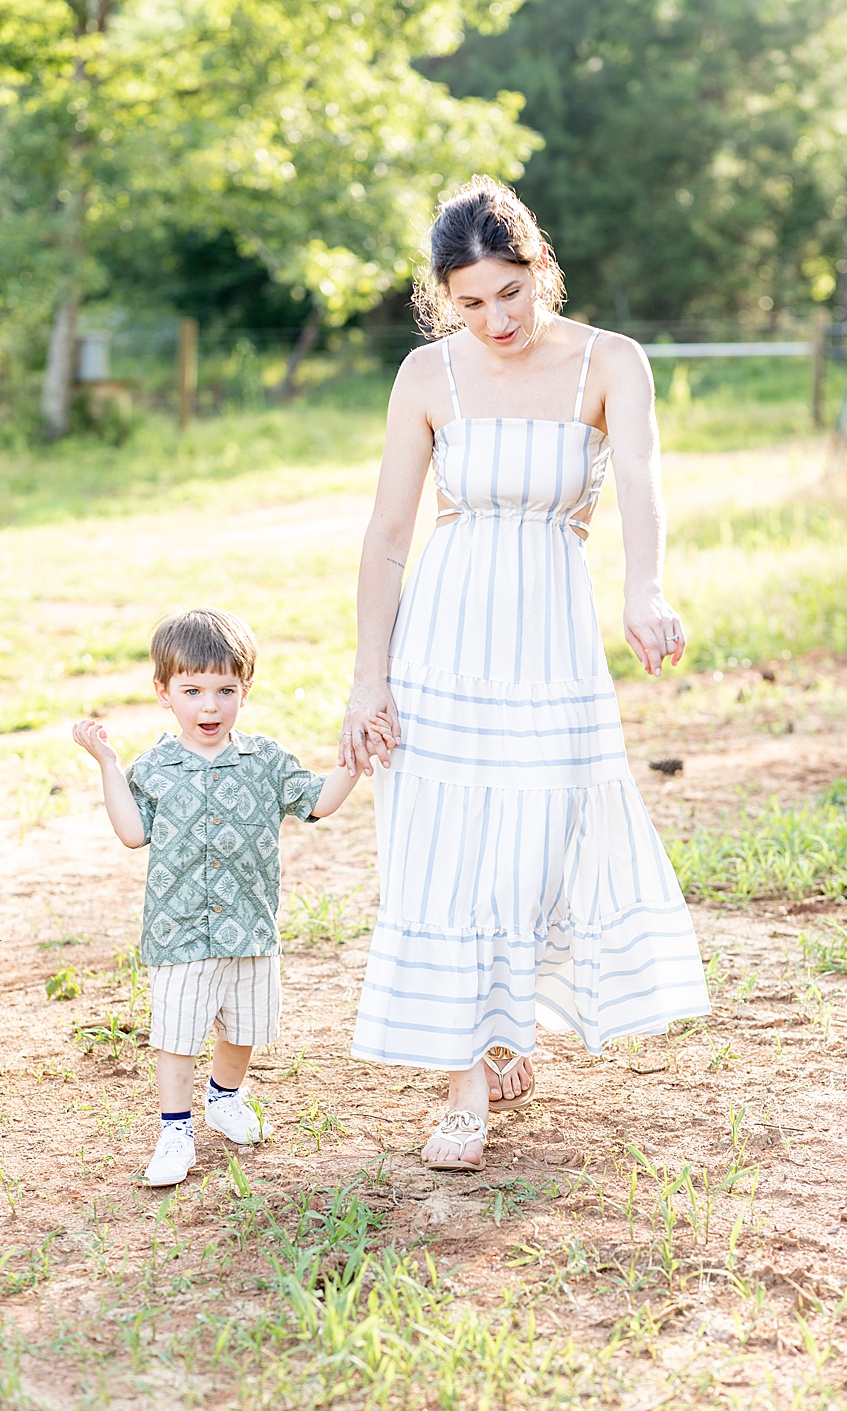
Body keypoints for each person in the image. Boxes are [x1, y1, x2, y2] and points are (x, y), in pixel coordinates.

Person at [338, 176, 709, 1170]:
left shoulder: (609, 361)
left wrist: (645, 591)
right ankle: (464, 1078)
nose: (495, 319)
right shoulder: (426, 376)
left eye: (510, 291)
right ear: (442, 300)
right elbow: (385, 538)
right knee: (444, 846)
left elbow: (639, 482)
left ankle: (504, 1024)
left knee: (537, 837)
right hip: (445, 637)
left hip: (551, 632)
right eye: (470, 302)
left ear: (540, 266)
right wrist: (369, 678)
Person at [71, 609, 375, 1187]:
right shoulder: (155, 767)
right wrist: (108, 765)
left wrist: (353, 760)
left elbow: (320, 801)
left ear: (245, 688)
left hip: (250, 928)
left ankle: (225, 1098)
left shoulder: (265, 762)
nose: (208, 707)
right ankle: (175, 1130)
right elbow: (133, 833)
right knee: (178, 1035)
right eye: (191, 691)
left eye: (224, 691)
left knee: (244, 1028)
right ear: (163, 692)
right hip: (180, 932)